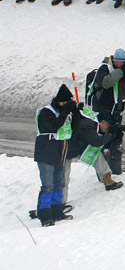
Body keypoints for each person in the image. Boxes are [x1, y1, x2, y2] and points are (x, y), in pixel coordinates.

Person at [87, 48, 125, 187]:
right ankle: (103, 175)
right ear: (115, 60)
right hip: (102, 110)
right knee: (104, 140)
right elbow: (106, 83)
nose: (122, 64)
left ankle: (115, 170)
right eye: (121, 62)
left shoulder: (123, 69)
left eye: (124, 62)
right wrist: (122, 71)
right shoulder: (104, 68)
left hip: (116, 108)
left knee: (116, 137)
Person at [33, 84, 76, 227]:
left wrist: (76, 111)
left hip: (60, 152)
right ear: (59, 101)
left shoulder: (65, 113)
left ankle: (57, 210)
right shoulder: (47, 112)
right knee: (48, 185)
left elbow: (73, 127)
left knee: (59, 183)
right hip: (46, 151)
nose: (66, 106)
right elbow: (54, 126)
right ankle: (45, 215)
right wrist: (65, 111)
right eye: (65, 103)